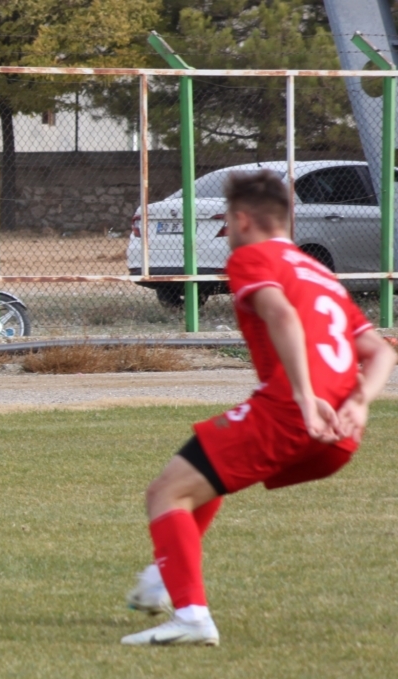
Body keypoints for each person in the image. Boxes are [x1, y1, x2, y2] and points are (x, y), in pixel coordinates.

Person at [120, 169, 396, 646]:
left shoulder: (253, 258)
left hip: (294, 412)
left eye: (227, 221)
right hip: (341, 435)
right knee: (206, 476)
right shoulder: (322, 275)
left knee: (165, 493)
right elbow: (382, 351)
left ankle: (191, 616)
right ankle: (165, 577)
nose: (227, 233)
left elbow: (282, 313)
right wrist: (361, 403)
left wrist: (305, 396)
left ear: (244, 221)